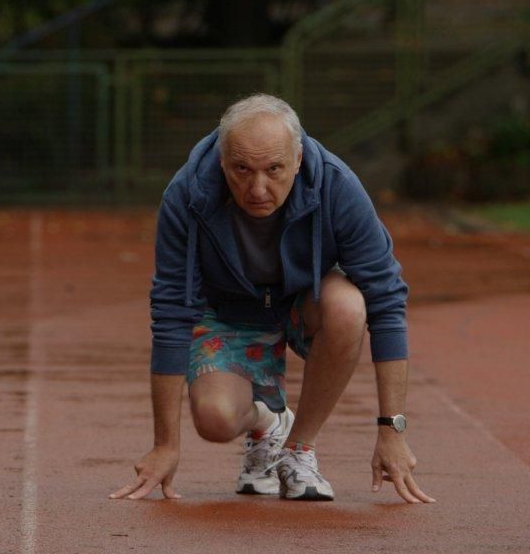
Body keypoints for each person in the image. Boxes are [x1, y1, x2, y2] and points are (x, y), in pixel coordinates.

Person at [110, 94, 433, 503]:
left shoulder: (337, 186)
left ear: (297, 160)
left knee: (350, 306)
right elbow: (172, 310)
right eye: (241, 169)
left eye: (274, 169)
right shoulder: (186, 195)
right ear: (222, 162)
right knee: (214, 421)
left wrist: (392, 431)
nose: (257, 189)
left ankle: (298, 450)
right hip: (227, 309)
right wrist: (165, 445)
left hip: (304, 300)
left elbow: (387, 301)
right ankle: (267, 421)